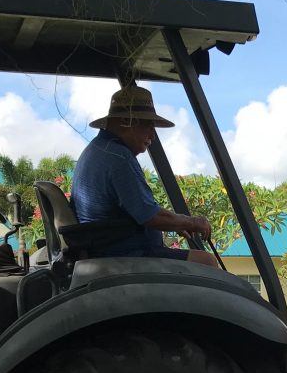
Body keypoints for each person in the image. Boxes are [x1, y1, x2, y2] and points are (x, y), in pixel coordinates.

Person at [71, 85, 217, 266]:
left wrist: (179, 223)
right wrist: (193, 222)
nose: (152, 135)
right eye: (148, 125)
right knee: (206, 262)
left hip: (109, 249)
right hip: (124, 255)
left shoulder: (98, 150)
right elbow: (150, 217)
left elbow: (143, 209)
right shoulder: (119, 158)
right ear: (126, 121)